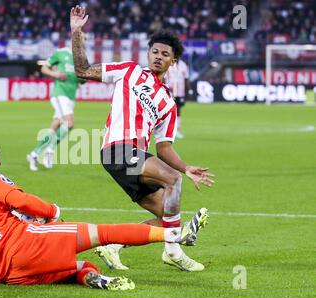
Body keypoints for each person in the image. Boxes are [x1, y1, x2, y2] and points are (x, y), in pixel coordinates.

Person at [70, 6, 215, 272]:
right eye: (155, 52)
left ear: (173, 62)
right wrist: (76, 32)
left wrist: (186, 166)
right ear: (149, 53)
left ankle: (112, 246)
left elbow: (164, 148)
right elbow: (82, 70)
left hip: (136, 160)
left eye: (165, 54)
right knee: (173, 181)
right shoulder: (129, 71)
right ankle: (173, 251)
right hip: (117, 150)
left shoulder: (169, 103)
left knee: (167, 218)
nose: (159, 57)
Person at [0, 139, 190, 290]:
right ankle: (172, 234)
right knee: (103, 233)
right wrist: (53, 211)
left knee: (81, 266)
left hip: (2, 274)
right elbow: (18, 200)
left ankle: (97, 280)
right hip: (22, 245)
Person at [26, 46, 82, 171]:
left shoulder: (81, 58)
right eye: (82, 38)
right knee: (70, 123)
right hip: (60, 94)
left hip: (70, 97)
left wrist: (85, 77)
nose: (83, 41)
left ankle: (34, 154)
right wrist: (55, 73)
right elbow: (44, 68)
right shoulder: (61, 53)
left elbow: (82, 80)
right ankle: (49, 151)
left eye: (85, 39)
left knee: (54, 127)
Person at [164, 58, 192, 139]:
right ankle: (166, 130)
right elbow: (164, 78)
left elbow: (186, 78)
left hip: (180, 92)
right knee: (167, 111)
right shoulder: (168, 64)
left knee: (178, 111)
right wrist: (166, 88)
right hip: (170, 92)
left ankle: (177, 131)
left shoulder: (183, 65)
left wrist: (189, 89)